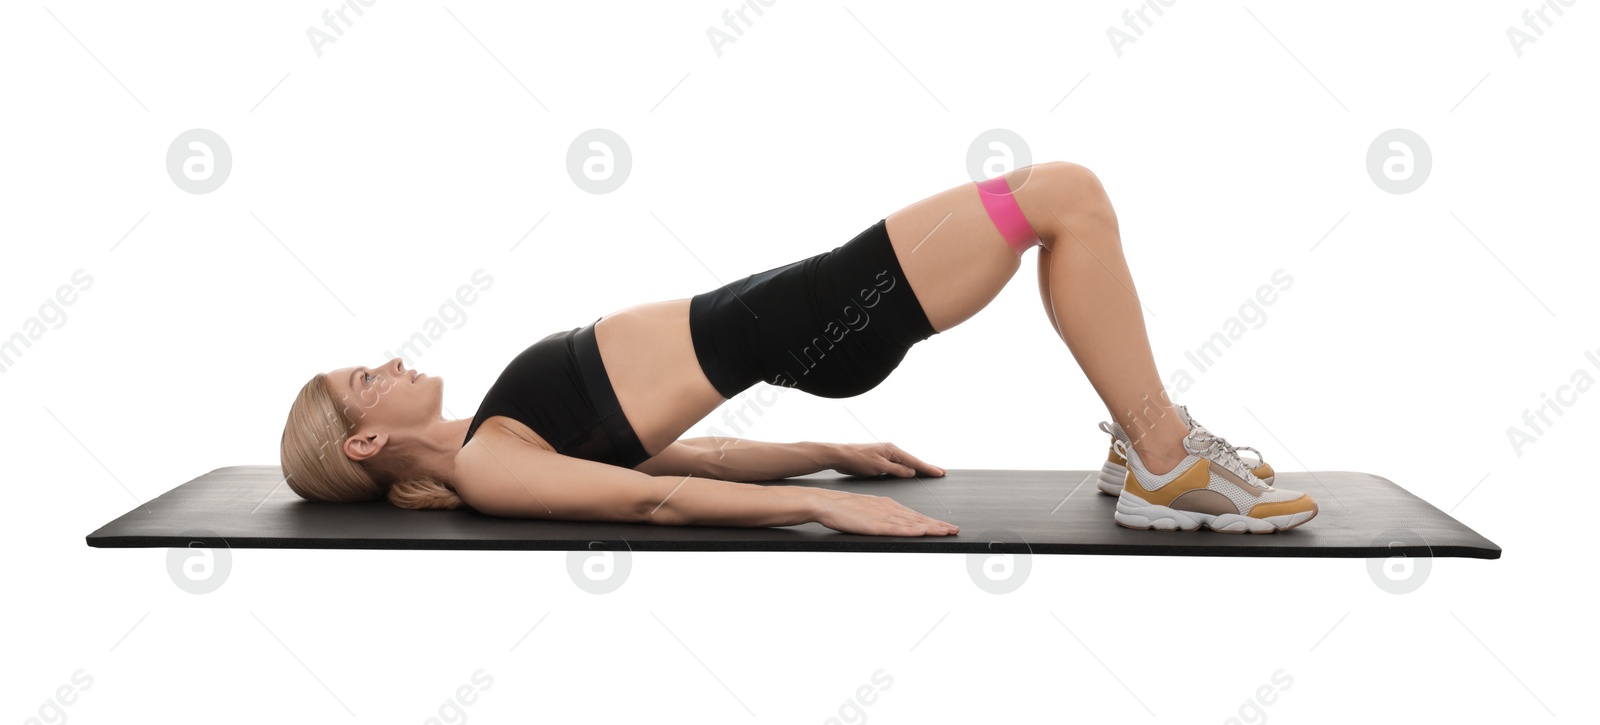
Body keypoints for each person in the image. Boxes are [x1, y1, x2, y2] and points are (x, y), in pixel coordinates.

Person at [280, 162, 1317, 536]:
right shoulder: (490, 467)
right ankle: (1161, 452)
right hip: (821, 312)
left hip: (807, 311)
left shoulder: (493, 442)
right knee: (1064, 196)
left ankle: (1150, 449)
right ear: (365, 441)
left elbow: (689, 459)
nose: (391, 360)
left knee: (1061, 203)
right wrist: (819, 505)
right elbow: (658, 503)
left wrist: (831, 452)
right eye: (367, 379)